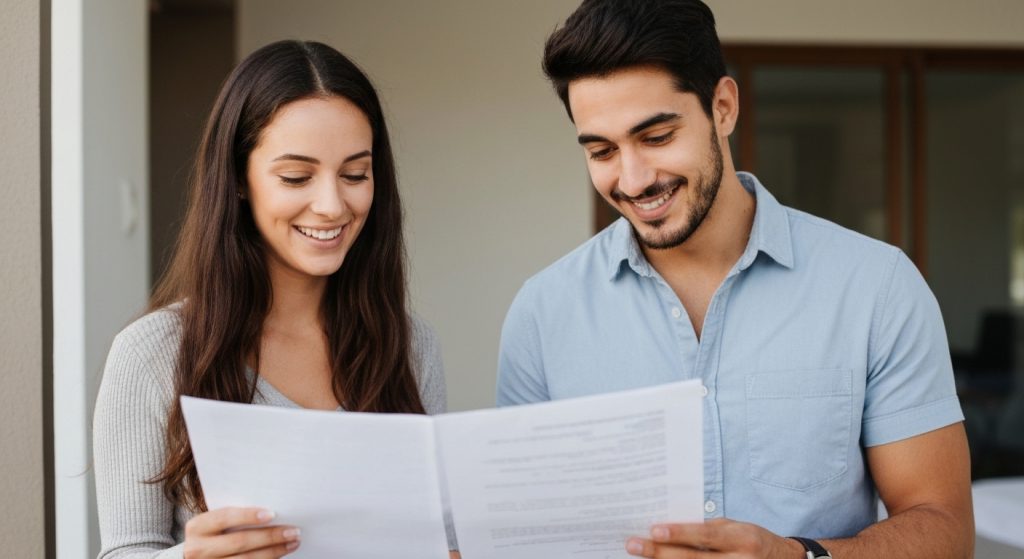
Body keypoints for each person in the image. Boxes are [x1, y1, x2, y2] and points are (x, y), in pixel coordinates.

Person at [496, 1, 973, 558]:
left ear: (722, 107)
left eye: (656, 137)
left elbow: (945, 530)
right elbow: (522, 536)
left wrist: (795, 557)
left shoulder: (878, 287)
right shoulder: (543, 313)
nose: (632, 179)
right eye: (602, 150)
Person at [94, 40, 455, 558]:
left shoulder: (411, 345)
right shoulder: (152, 354)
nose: (332, 205)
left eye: (355, 174)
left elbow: (438, 538)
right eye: (296, 177)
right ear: (239, 179)